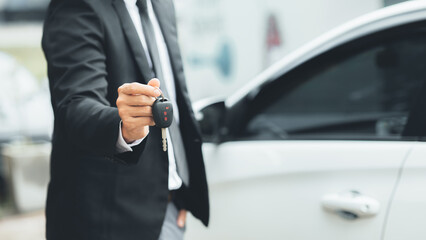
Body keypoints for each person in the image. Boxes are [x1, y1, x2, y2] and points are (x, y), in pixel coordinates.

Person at [42, 0, 209, 239]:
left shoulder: (161, 4)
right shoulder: (75, 5)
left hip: (169, 211)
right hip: (105, 224)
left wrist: (179, 191)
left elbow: (175, 92)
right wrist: (123, 126)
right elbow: (76, 105)